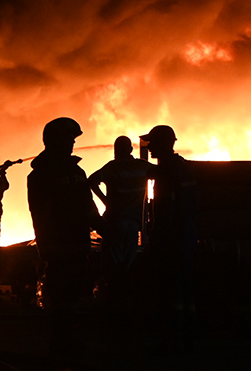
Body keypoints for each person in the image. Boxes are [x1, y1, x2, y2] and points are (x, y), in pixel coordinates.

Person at [27, 117, 104, 353]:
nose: (72, 143)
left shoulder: (76, 171)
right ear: (54, 140)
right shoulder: (42, 175)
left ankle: (67, 338)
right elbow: (41, 212)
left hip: (77, 242)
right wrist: (47, 244)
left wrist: (103, 228)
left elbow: (88, 205)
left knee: (72, 294)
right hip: (59, 244)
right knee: (60, 293)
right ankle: (60, 340)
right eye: (69, 139)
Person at [140, 124, 198, 351]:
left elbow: (165, 212)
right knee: (185, 291)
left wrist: (154, 244)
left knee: (169, 291)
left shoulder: (166, 172)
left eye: (153, 142)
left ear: (164, 143)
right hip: (186, 239)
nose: (150, 146)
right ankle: (187, 336)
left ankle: (171, 339)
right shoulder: (183, 168)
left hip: (170, 243)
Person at [88, 136, 153, 299]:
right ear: (130, 150)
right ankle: (127, 297)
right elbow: (161, 174)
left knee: (113, 263)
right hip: (133, 223)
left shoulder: (112, 167)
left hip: (114, 223)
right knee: (129, 262)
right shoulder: (141, 167)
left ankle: (114, 297)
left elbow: (92, 180)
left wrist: (105, 200)